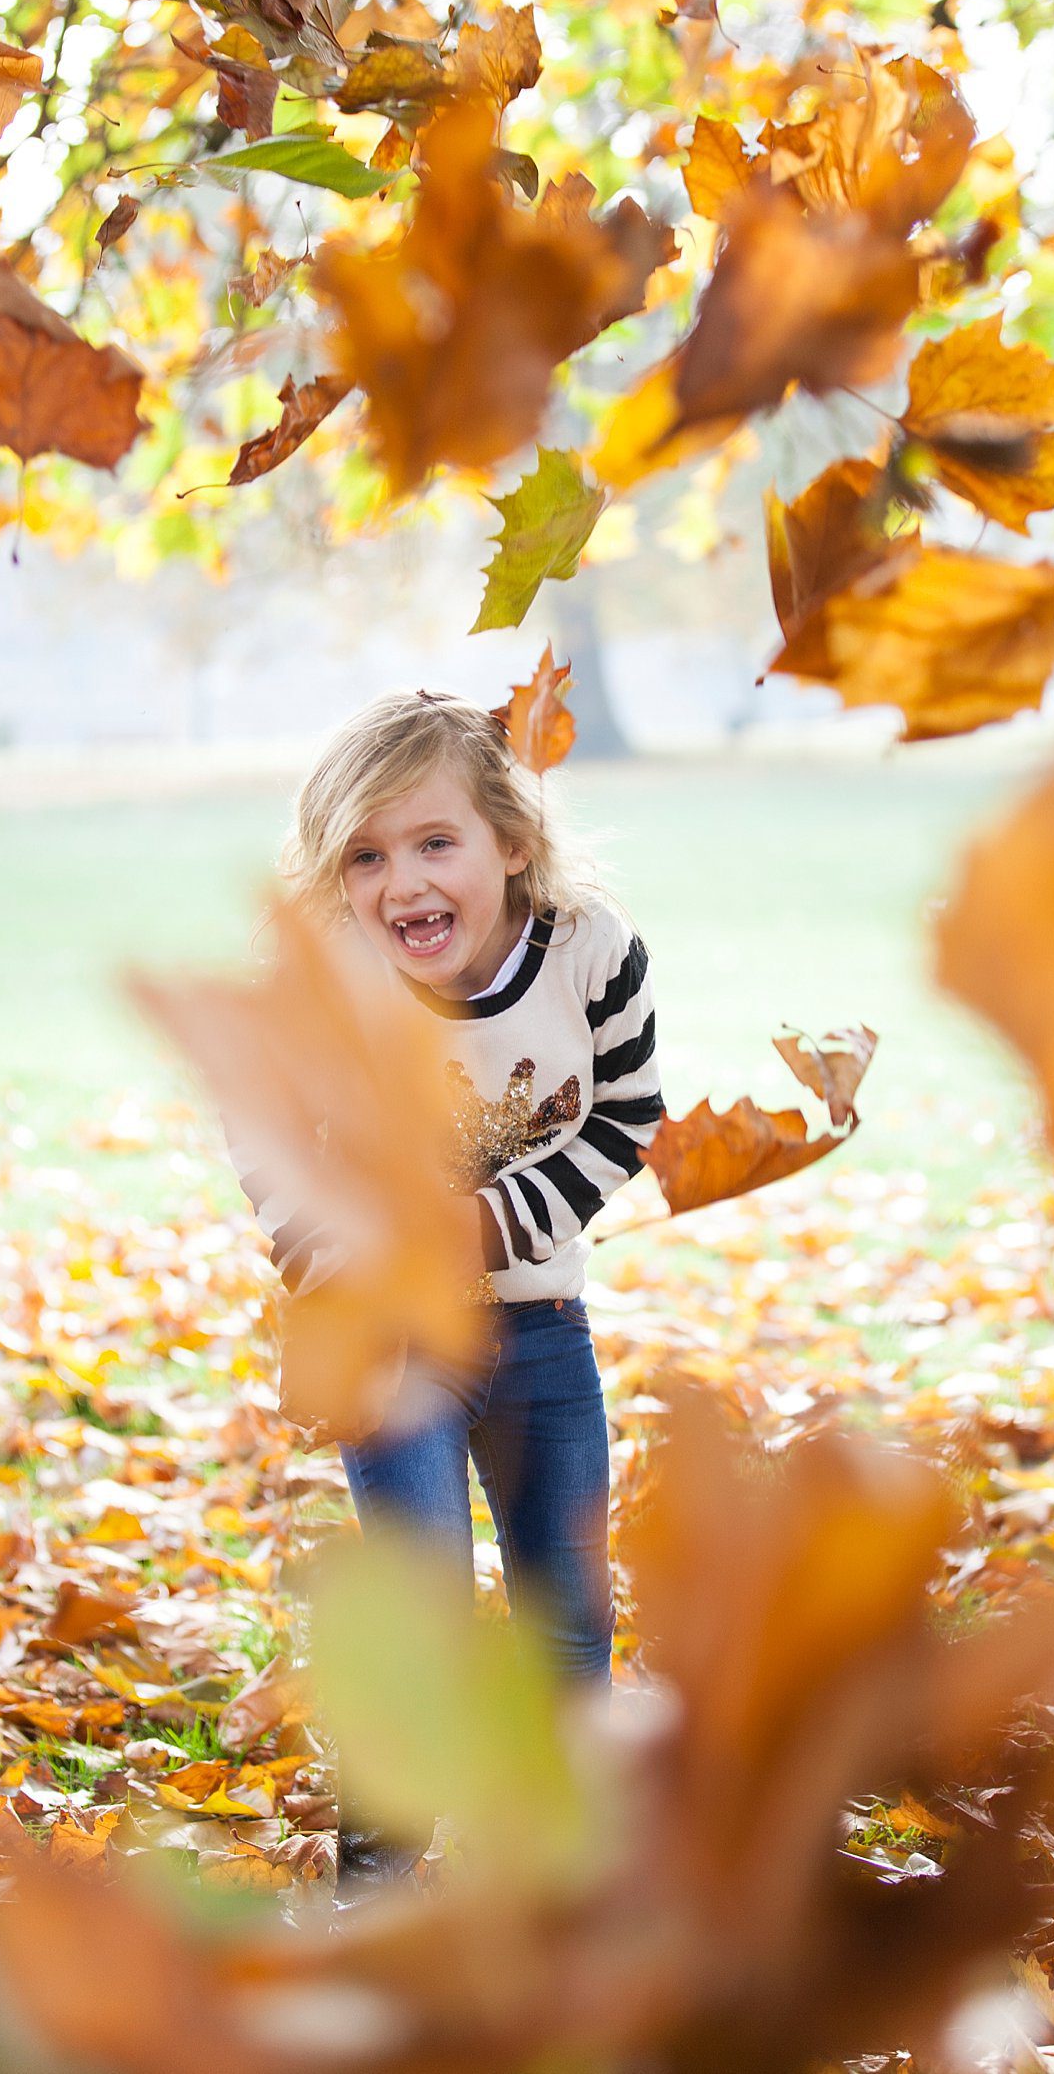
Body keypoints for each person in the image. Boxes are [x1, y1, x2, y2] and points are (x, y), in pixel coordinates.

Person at [252, 687, 666, 1894]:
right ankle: (379, 1884)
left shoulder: (592, 952)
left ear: (511, 842)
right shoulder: (333, 971)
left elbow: (627, 1119)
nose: (403, 883)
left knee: (566, 1610)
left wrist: (482, 1224)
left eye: (436, 842)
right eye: (367, 857)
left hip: (539, 1320)